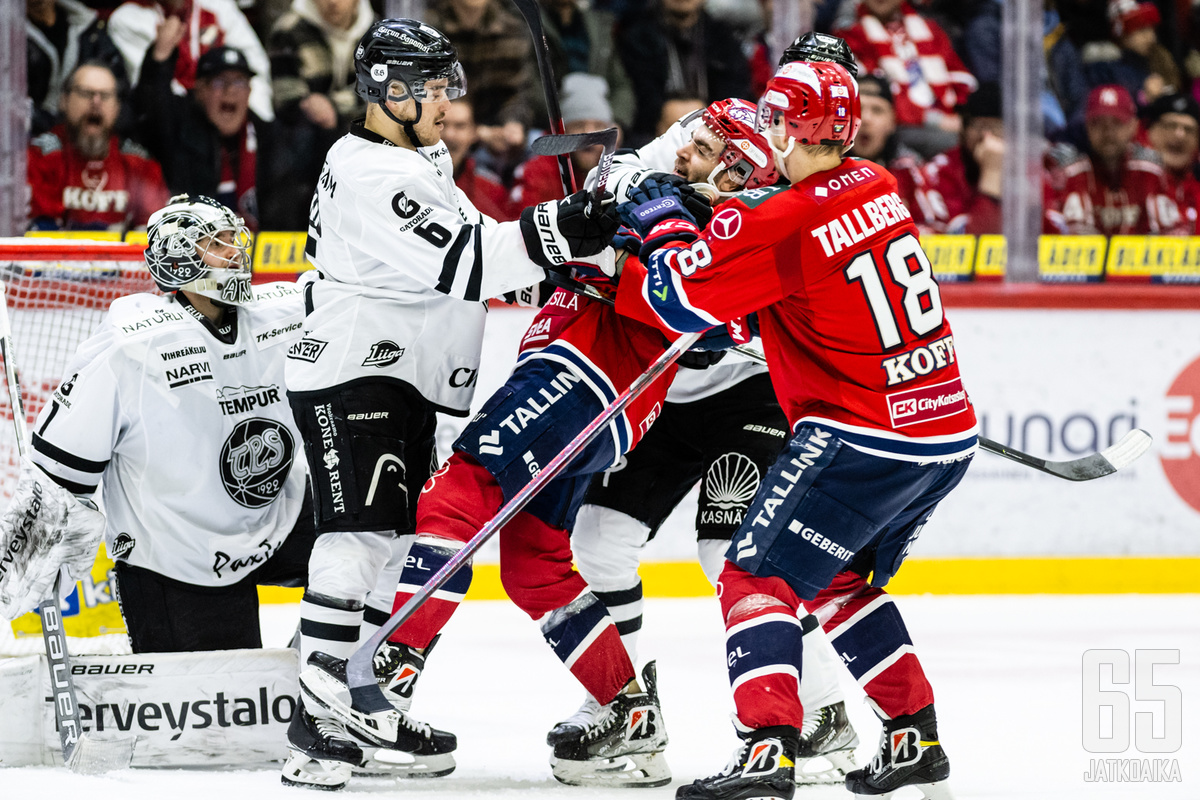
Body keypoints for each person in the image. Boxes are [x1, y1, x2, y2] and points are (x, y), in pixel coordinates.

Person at [613, 59, 977, 800]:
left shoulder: (782, 218)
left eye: (777, 120)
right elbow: (788, 280)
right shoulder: (877, 182)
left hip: (860, 435)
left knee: (754, 575)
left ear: (787, 126)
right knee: (837, 578)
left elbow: (677, 299)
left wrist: (664, 220)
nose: (769, 132)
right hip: (943, 431)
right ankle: (915, 737)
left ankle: (768, 750)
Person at [279, 18, 617, 790]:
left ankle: (358, 697)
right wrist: (565, 225)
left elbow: (476, 249)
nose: (444, 101)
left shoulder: (417, 157)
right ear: (387, 90)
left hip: (405, 372)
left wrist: (558, 268)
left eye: (444, 86)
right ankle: (317, 716)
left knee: (396, 548)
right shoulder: (371, 172)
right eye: (430, 89)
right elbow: (466, 261)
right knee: (359, 537)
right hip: (356, 366)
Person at [553, 90, 861, 787]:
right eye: (690, 138)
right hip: (670, 397)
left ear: (741, 176)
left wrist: (633, 274)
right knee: (598, 537)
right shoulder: (684, 161)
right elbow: (619, 184)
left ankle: (823, 714)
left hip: (749, 395)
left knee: (727, 548)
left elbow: (708, 321)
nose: (682, 150)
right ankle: (625, 709)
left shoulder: (766, 221)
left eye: (704, 149)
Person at [0, 195, 314, 657]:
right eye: (217, 243)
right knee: (223, 716)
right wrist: (27, 558)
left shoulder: (283, 315)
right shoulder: (130, 347)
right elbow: (57, 476)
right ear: (179, 259)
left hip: (275, 522)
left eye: (235, 239)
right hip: (179, 557)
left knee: (381, 538)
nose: (236, 252)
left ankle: (329, 668)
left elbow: (351, 309)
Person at [134, 43, 271, 229]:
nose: (230, 90)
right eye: (219, 82)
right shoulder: (179, 130)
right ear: (200, 90)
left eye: (239, 81)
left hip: (259, 250)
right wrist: (159, 60)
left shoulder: (269, 137)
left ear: (249, 91)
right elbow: (151, 110)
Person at [265, 0, 376, 230]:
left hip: (359, 125)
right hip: (304, 128)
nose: (333, 3)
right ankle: (292, 233)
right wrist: (309, 103)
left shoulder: (376, 33)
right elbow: (284, 95)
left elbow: (379, 90)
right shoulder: (288, 30)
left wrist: (331, 105)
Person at [28, 62, 170, 231]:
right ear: (64, 100)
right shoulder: (40, 157)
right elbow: (37, 230)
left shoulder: (139, 164)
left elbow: (156, 232)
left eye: (105, 95)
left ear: (117, 107)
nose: (96, 102)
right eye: (86, 93)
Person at [836, 0, 977, 158]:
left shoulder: (930, 28)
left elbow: (960, 76)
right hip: (902, 125)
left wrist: (961, 114)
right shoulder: (851, 36)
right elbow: (876, 95)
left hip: (947, 116)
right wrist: (935, 119)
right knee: (955, 143)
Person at [1046, 84, 1184, 235]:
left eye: (1117, 123)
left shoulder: (1150, 171)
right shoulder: (1073, 173)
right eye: (1098, 124)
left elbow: (1171, 235)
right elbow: (1076, 241)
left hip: (1143, 258)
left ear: (1134, 126)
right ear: (1087, 127)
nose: (1108, 133)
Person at [108, 0, 275, 122]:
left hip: (230, 122)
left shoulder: (220, 6)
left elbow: (256, 69)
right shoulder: (128, 19)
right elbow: (151, 91)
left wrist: (256, 123)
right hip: (174, 129)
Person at [615, 0, 752, 147]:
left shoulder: (724, 38)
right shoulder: (635, 35)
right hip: (651, 134)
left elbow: (736, 91)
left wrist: (711, 115)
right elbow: (635, 93)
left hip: (716, 132)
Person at [510, 72, 620, 209]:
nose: (589, 134)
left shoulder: (619, 172)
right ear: (562, 131)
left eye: (598, 126)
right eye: (579, 125)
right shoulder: (536, 173)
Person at [914, 82, 1004, 234]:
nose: (987, 137)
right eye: (979, 126)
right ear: (963, 129)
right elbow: (971, 246)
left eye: (996, 127)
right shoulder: (937, 174)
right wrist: (992, 174)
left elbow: (1050, 237)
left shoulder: (1032, 171)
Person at [26, 0, 127, 136]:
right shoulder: (7, 36)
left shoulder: (88, 27)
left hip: (86, 138)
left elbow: (123, 99)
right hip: (27, 140)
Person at [845, 73, 926, 219]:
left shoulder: (912, 171)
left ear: (892, 121)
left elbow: (932, 231)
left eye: (877, 110)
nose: (866, 119)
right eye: (858, 109)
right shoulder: (822, 168)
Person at [443, 97, 514, 221]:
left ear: (475, 132)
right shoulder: (408, 182)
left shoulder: (492, 192)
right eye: (440, 124)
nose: (449, 135)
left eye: (460, 126)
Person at [1143, 93, 1200, 231]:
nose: (1179, 135)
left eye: (1188, 129)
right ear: (1150, 131)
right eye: (1170, 125)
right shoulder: (1132, 182)